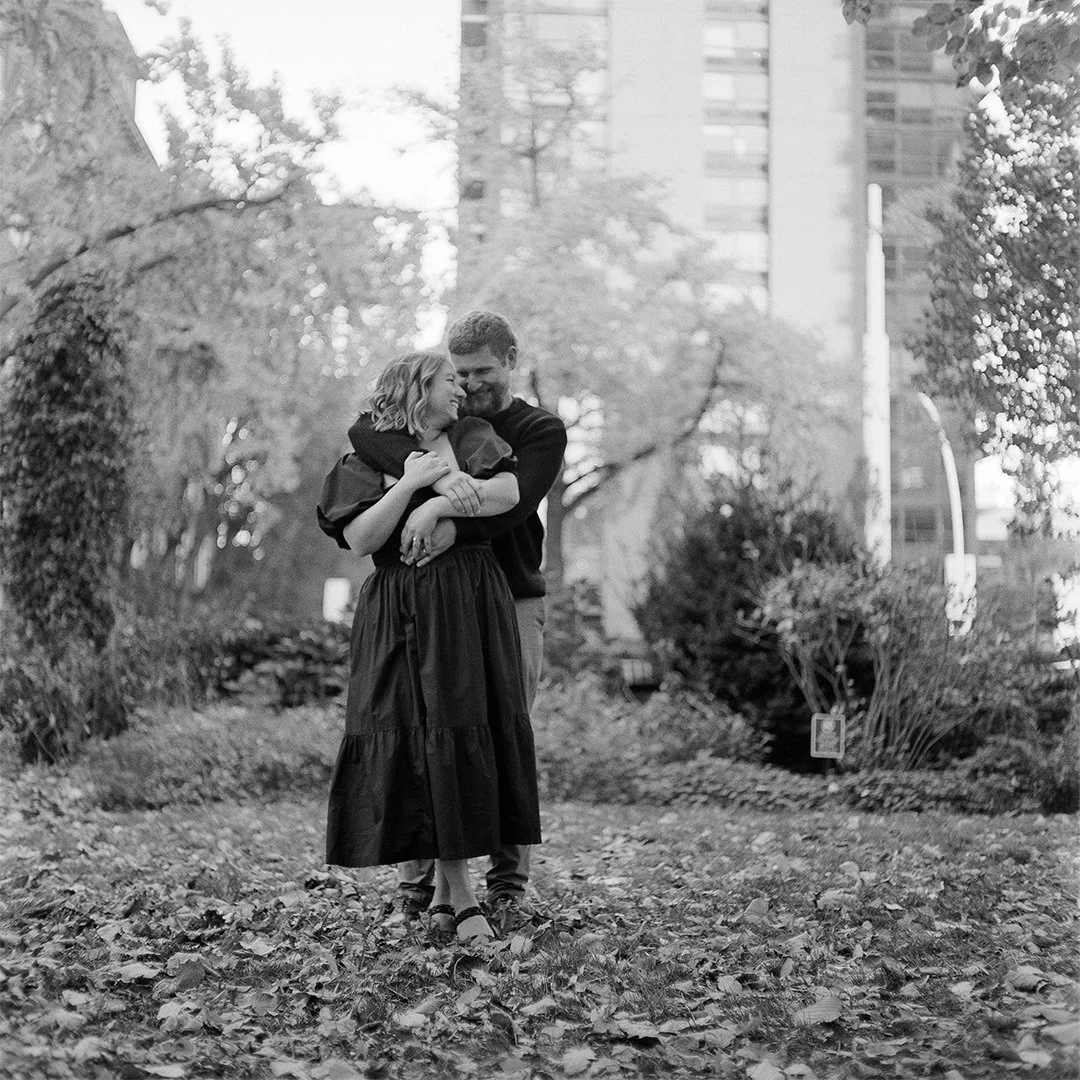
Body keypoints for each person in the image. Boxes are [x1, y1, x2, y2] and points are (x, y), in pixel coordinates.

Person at [347, 310, 567, 927]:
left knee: (501, 726)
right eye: (459, 373)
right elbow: (366, 432)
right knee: (423, 726)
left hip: (511, 595)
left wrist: (438, 515)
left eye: (482, 371)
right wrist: (421, 494)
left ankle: (508, 881)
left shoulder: (536, 429)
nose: (470, 385)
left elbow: (511, 505)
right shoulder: (432, 423)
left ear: (512, 360)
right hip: (426, 602)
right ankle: (420, 878)